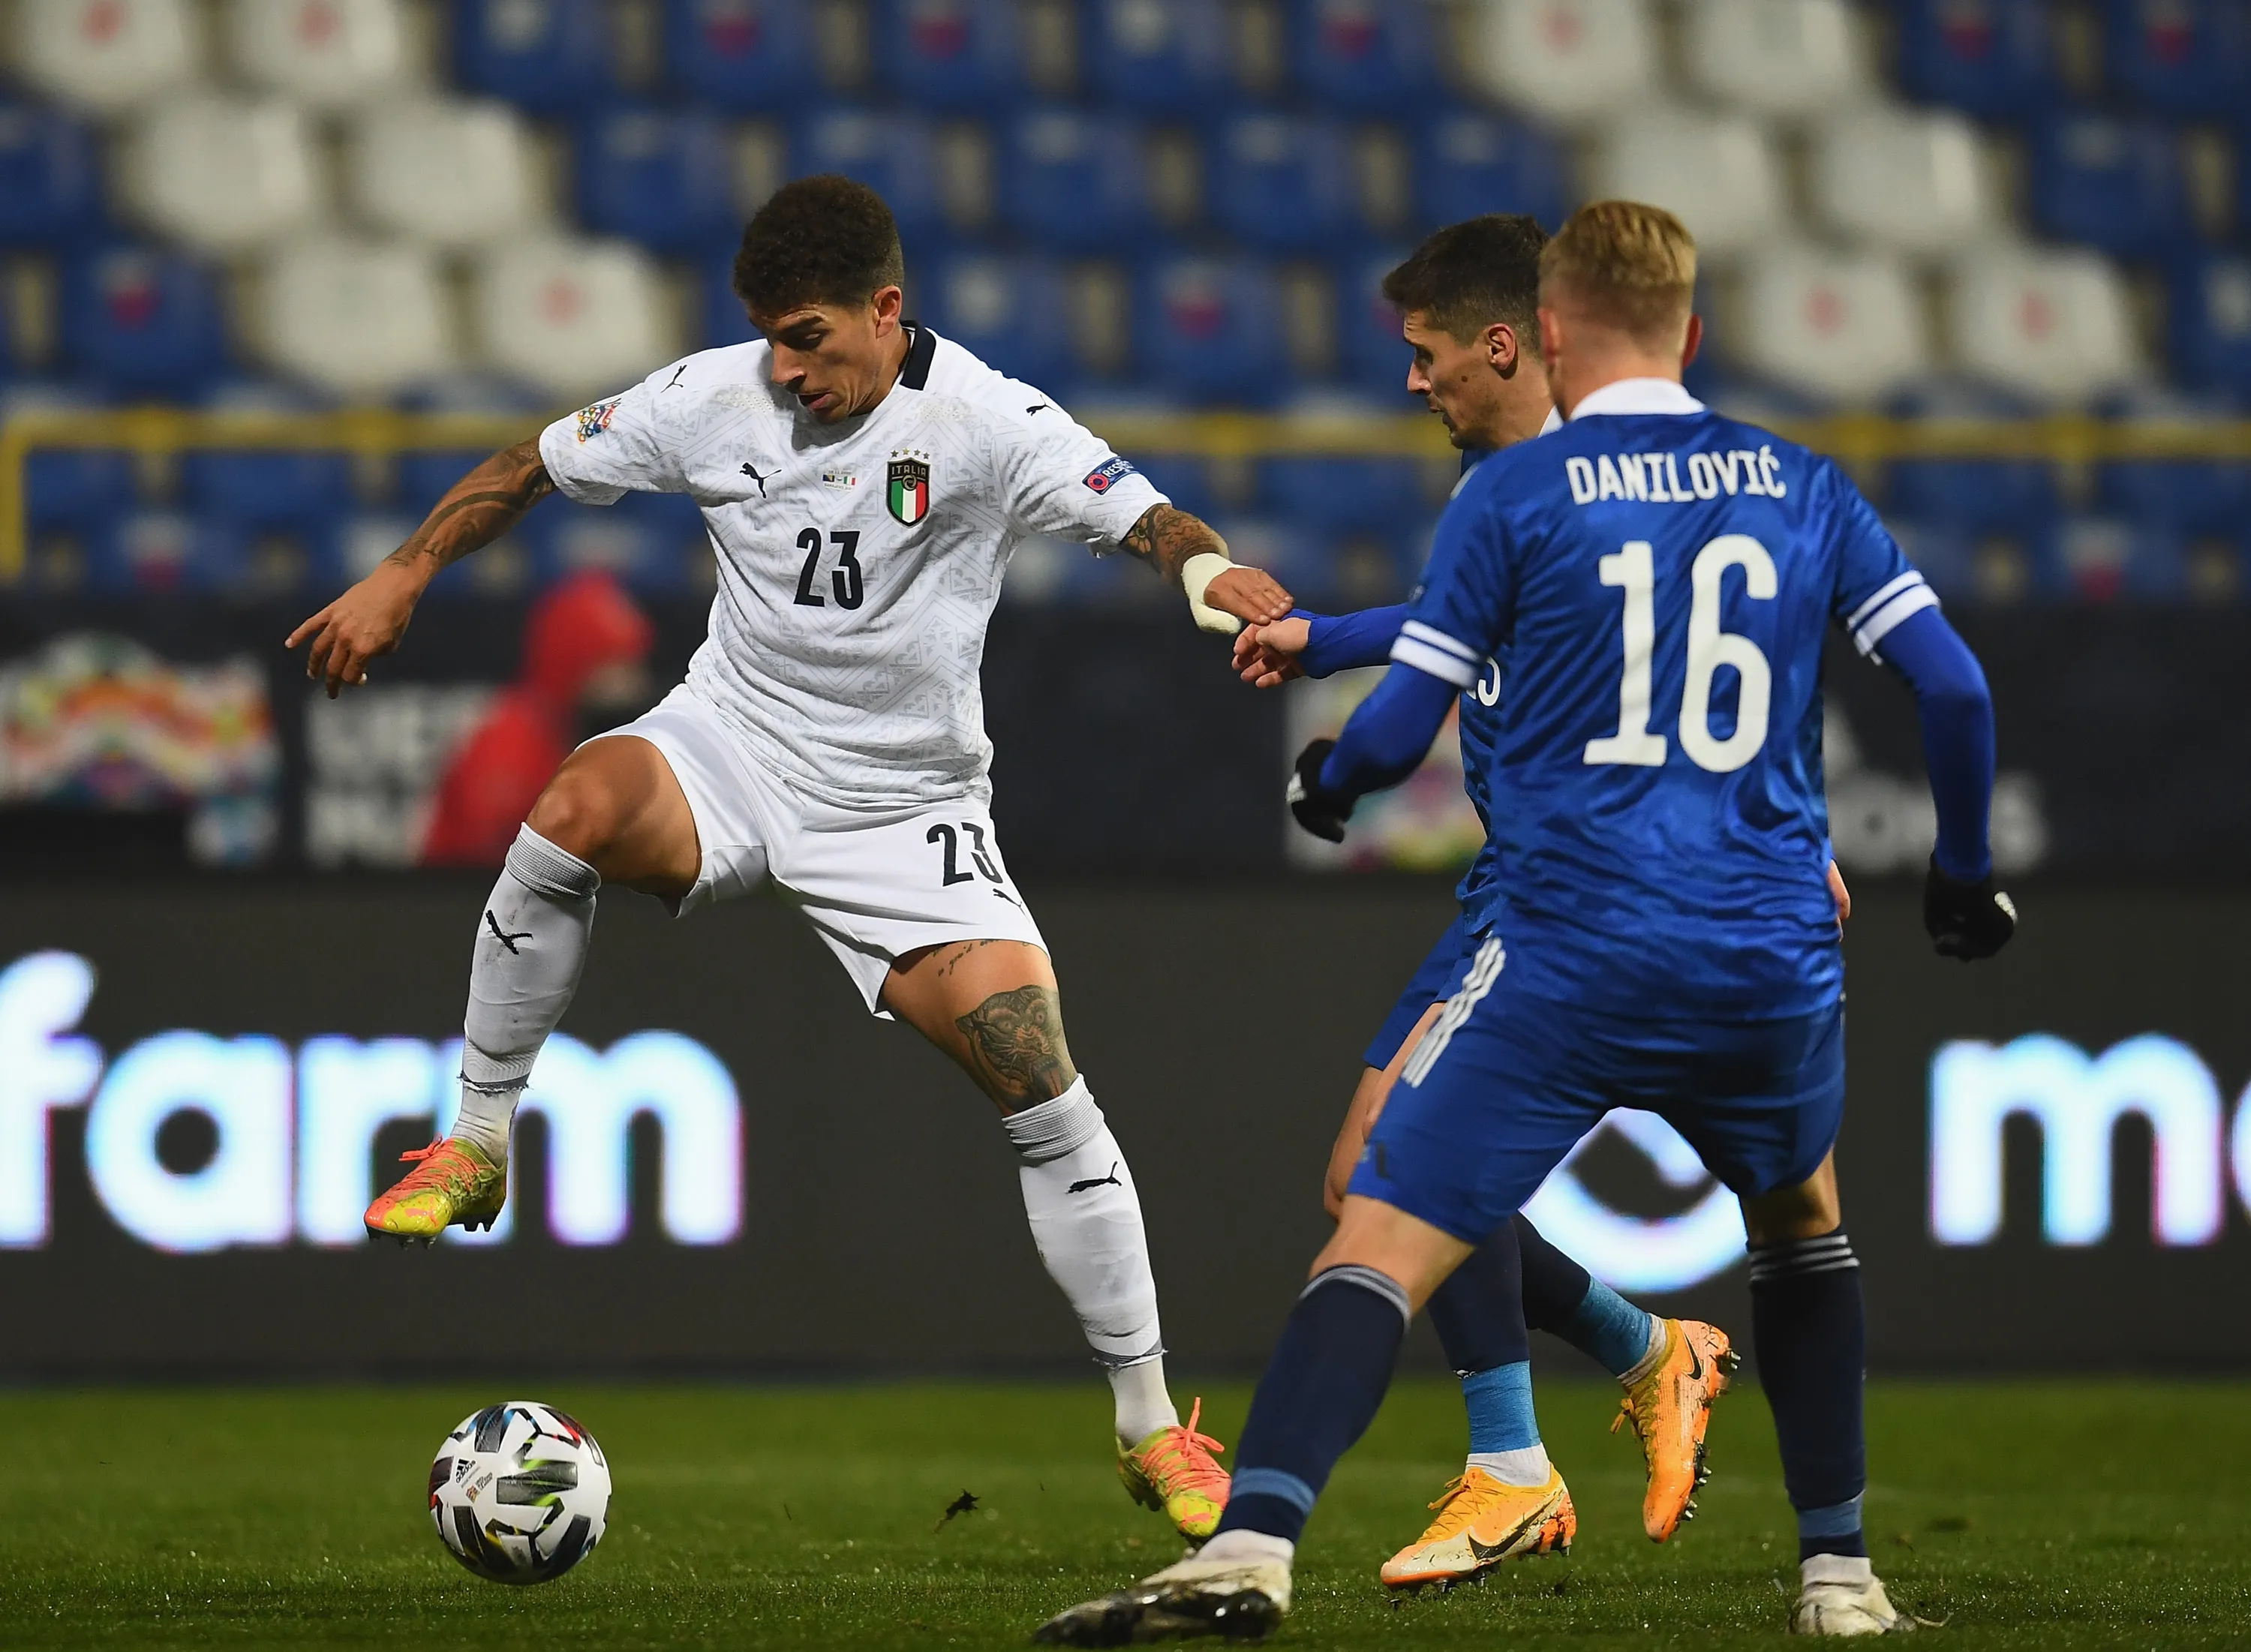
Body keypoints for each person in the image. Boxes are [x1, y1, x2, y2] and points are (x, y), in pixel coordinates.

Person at [1036, 200, 2015, 1644]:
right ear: (1692, 329)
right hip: (1757, 933)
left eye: (1431, 354)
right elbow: (1954, 687)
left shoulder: (1526, 494)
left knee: (1377, 1205)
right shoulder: (1803, 483)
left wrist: (1334, 775)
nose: (1415, 379)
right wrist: (1956, 868)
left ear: (1540, 335)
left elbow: (1422, 695)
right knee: (1801, 1225)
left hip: (1563, 919)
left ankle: (1316, 1526)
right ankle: (1836, 1569)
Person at [286, 175, 1295, 1542]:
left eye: (810, 336)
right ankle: (476, 1139)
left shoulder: (990, 422)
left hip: (905, 807)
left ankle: (1148, 1424)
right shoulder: (717, 394)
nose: (785, 365)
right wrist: (404, 570)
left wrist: (1206, 577)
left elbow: (1149, 518)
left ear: (889, 312)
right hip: (734, 740)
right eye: (769, 335)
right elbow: (529, 461)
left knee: (1040, 1079)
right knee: (575, 804)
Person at [1231, 215, 1745, 1590]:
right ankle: (1649, 1351)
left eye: (1427, 354)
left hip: (1575, 891)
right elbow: (1453, 626)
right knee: (1361, 1181)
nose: (1413, 383)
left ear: (1503, 344)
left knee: (1403, 1170)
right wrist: (1320, 637)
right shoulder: (1524, 490)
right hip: (1506, 883)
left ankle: (1513, 1469)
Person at [421, 570, 655, 867]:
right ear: (574, 662)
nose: (633, 683)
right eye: (616, 663)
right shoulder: (507, 745)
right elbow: (487, 868)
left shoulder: (599, 741)